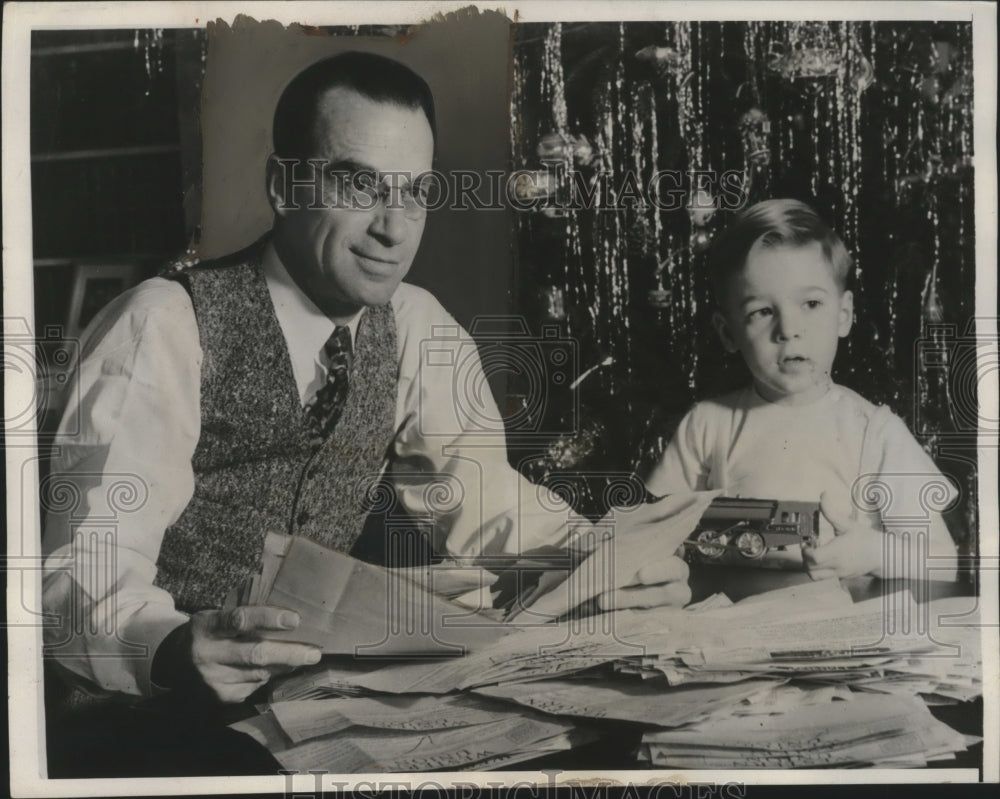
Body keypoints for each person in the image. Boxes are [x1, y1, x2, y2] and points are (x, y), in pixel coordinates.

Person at [41, 51, 693, 709]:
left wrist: (608, 564)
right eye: (359, 186)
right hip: (144, 707)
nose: (393, 227)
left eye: (415, 192)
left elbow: (488, 504)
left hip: (310, 703)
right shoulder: (162, 323)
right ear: (283, 185)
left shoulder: (415, 325)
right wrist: (173, 647)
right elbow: (81, 571)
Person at [645, 198, 959, 582]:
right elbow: (651, 530)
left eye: (810, 303)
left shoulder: (873, 432)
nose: (788, 328)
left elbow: (943, 561)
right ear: (729, 333)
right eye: (762, 311)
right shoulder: (708, 424)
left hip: (842, 630)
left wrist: (874, 551)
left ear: (843, 315)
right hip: (732, 628)